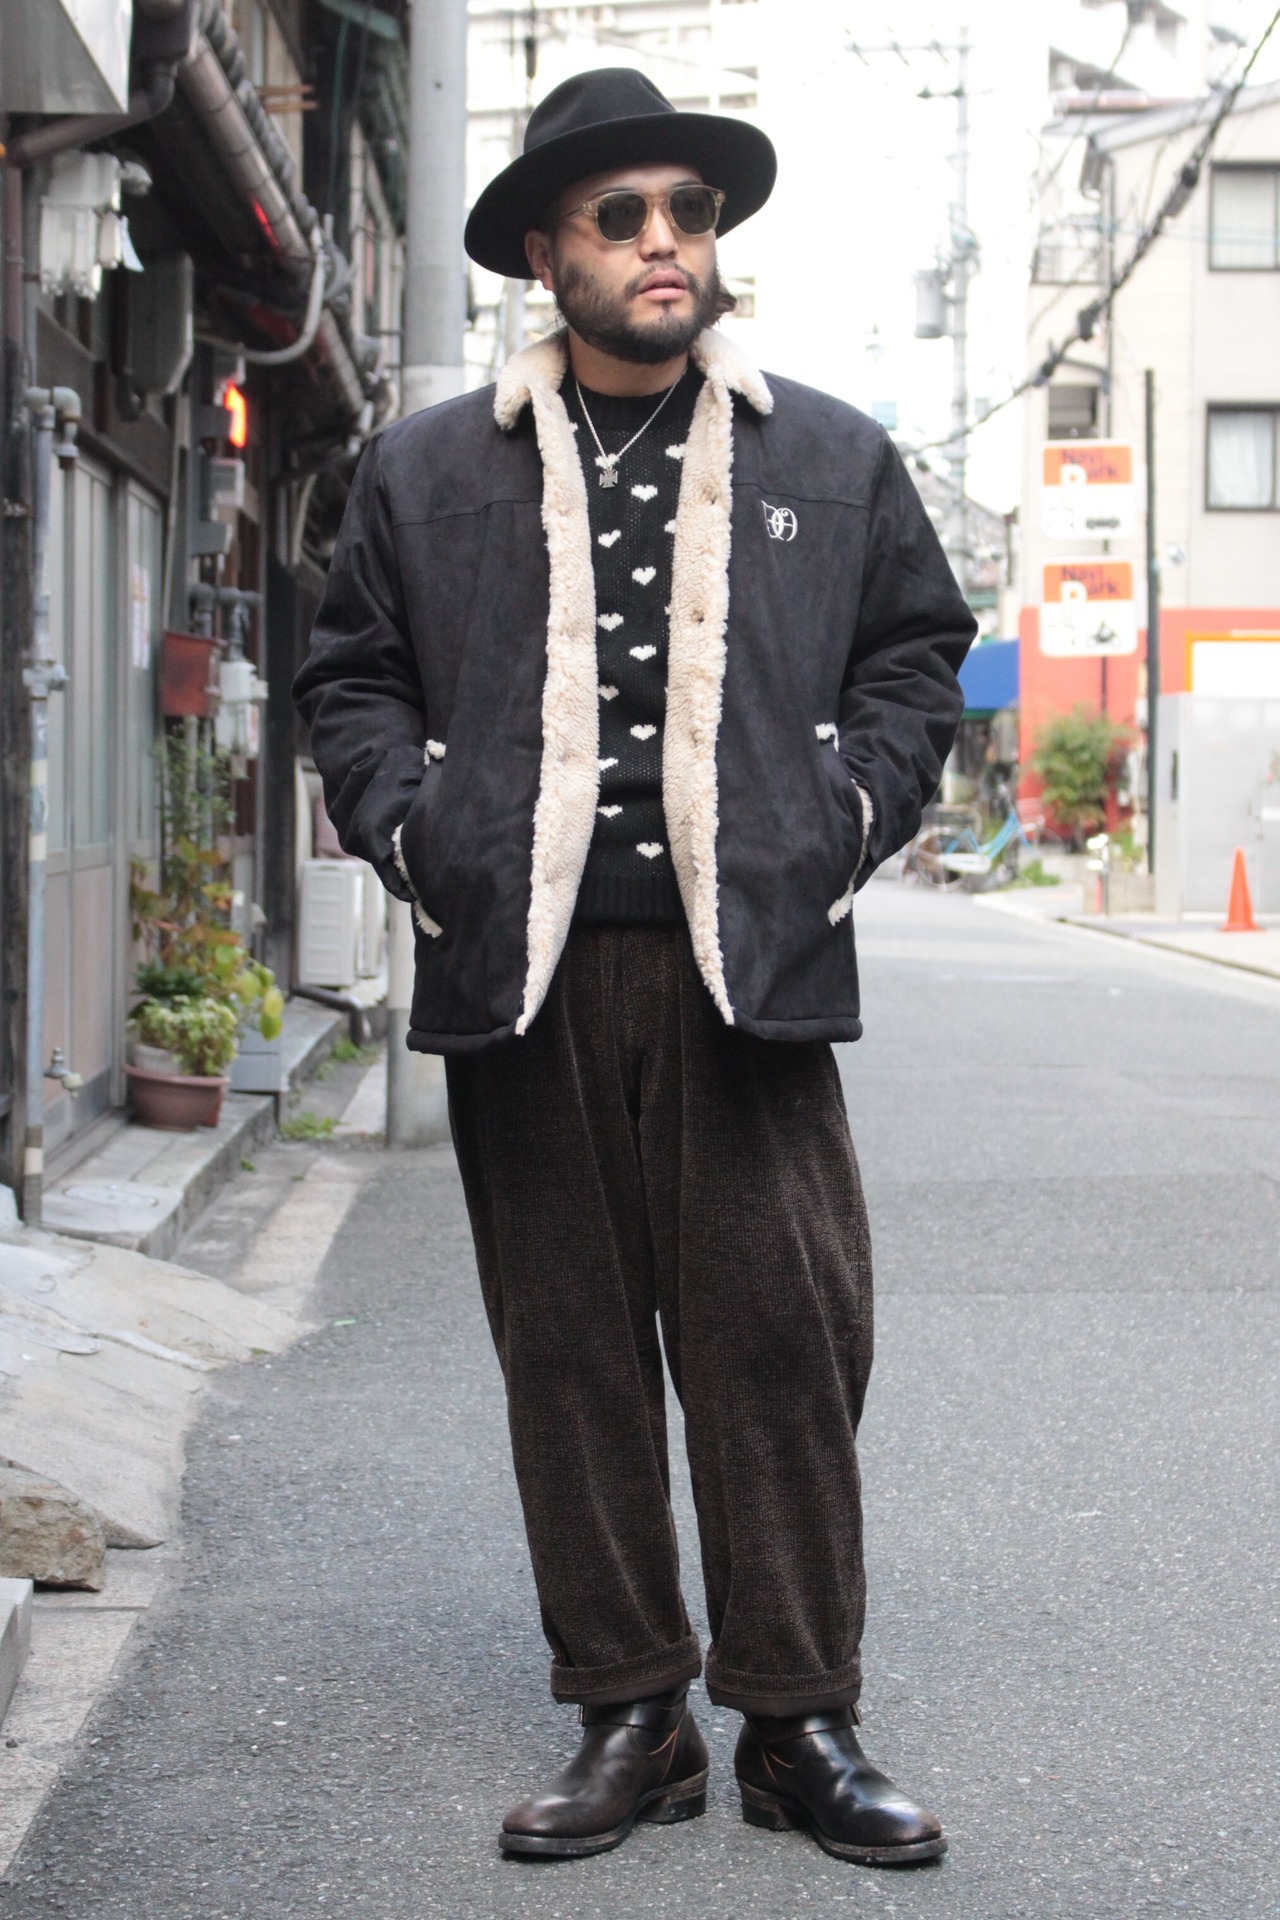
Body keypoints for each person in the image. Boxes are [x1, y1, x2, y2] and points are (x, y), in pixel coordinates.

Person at [294, 67, 975, 1869]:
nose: (666, 240)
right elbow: (350, 682)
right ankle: (631, 1714)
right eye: (622, 216)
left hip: (745, 975)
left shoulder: (828, 457)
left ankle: (799, 1721)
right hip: (520, 979)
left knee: (782, 1345)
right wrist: (423, 838)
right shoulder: (428, 469)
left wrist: (840, 818)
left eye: (690, 210)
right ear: (548, 254)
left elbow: (917, 660)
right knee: (571, 1356)